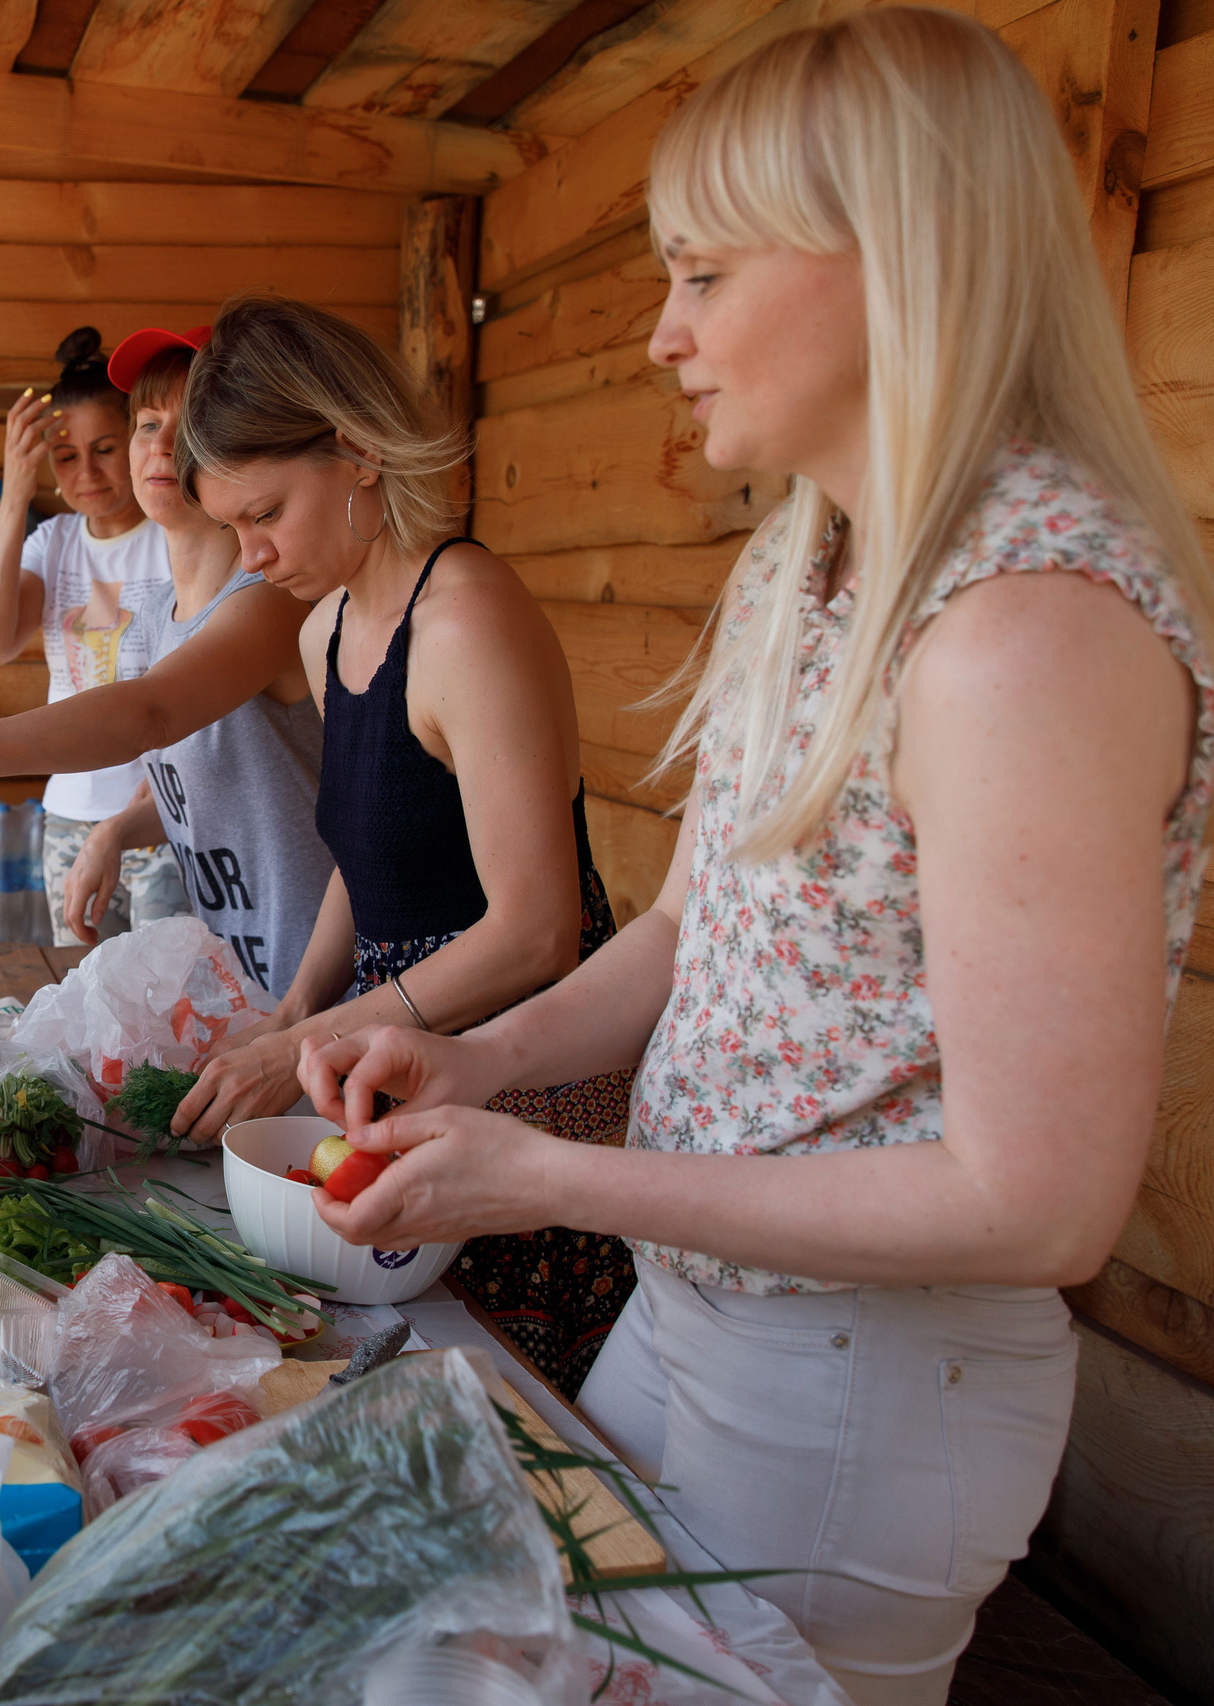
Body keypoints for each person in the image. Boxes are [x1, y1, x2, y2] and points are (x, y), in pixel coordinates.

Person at [297, 13, 1214, 1700]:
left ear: (897, 256)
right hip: (707, 1312)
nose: (661, 335)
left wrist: (552, 1177)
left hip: (867, 1379)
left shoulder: (1026, 633)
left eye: (705, 275)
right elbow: (713, 920)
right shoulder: (822, 562)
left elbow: (1041, 1200)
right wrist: (483, 1059)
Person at [168, 295, 635, 1392]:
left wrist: (314, 1036)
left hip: (521, 1060)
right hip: (389, 1040)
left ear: (358, 451)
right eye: (233, 525)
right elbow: (361, 857)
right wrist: (292, 1012)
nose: (252, 552)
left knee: (504, 1387)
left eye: (267, 511)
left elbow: (535, 932)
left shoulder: (467, 617)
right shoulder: (328, 624)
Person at [0, 327, 332, 999]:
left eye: (186, 430)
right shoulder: (157, 615)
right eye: (147, 425)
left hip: (317, 984)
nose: (158, 447)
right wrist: (116, 833)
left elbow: (152, 710)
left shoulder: (271, 598)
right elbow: (207, 787)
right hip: (247, 975)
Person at [0, 327, 186, 945]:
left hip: (161, 809)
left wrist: (165, 784)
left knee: (168, 1005)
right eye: (65, 457)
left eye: (106, 448)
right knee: (87, 1001)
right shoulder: (53, 543)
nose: (86, 472)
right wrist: (14, 493)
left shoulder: (179, 534)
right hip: (69, 816)